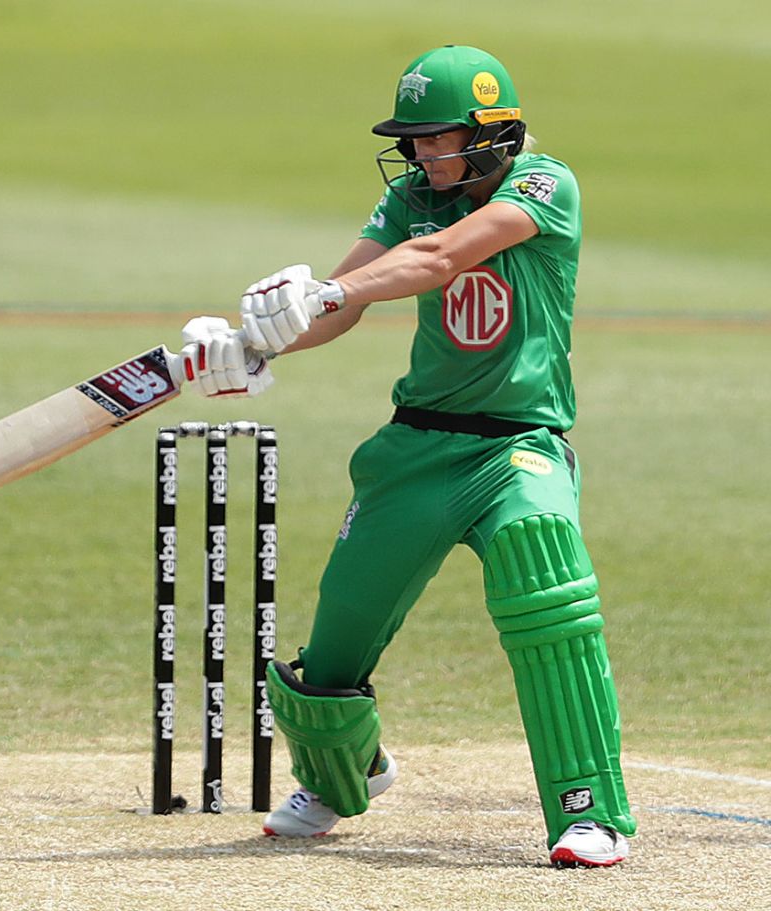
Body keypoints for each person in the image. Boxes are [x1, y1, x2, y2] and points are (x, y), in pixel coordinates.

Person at [178, 45, 636, 868]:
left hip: (518, 447)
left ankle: (588, 809)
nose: (423, 155)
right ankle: (344, 771)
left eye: (438, 138)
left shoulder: (543, 185)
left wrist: (330, 292)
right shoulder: (410, 194)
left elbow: (441, 258)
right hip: (415, 446)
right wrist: (254, 342)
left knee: (545, 578)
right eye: (413, 140)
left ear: (492, 133)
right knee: (340, 634)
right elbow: (340, 304)